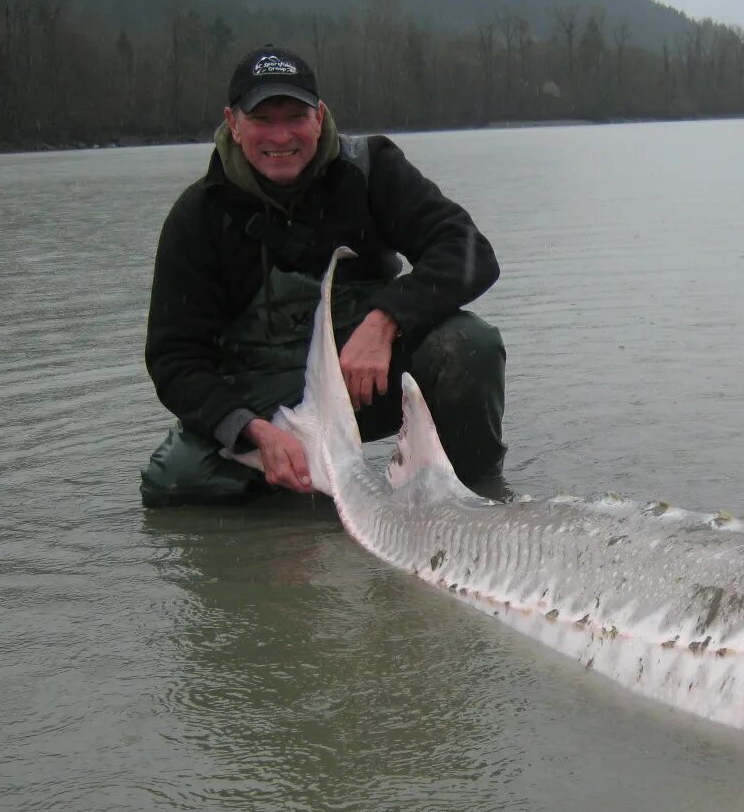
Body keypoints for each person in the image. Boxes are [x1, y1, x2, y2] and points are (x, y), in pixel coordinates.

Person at [141, 45, 506, 506]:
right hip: (269, 396)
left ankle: (474, 500)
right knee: (174, 481)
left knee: (470, 348)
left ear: (319, 116)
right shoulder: (197, 216)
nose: (281, 136)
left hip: (363, 379)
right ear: (232, 123)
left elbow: (470, 251)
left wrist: (386, 320)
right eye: (262, 119)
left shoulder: (371, 170)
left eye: (295, 116)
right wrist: (250, 430)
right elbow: (174, 358)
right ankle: (292, 516)